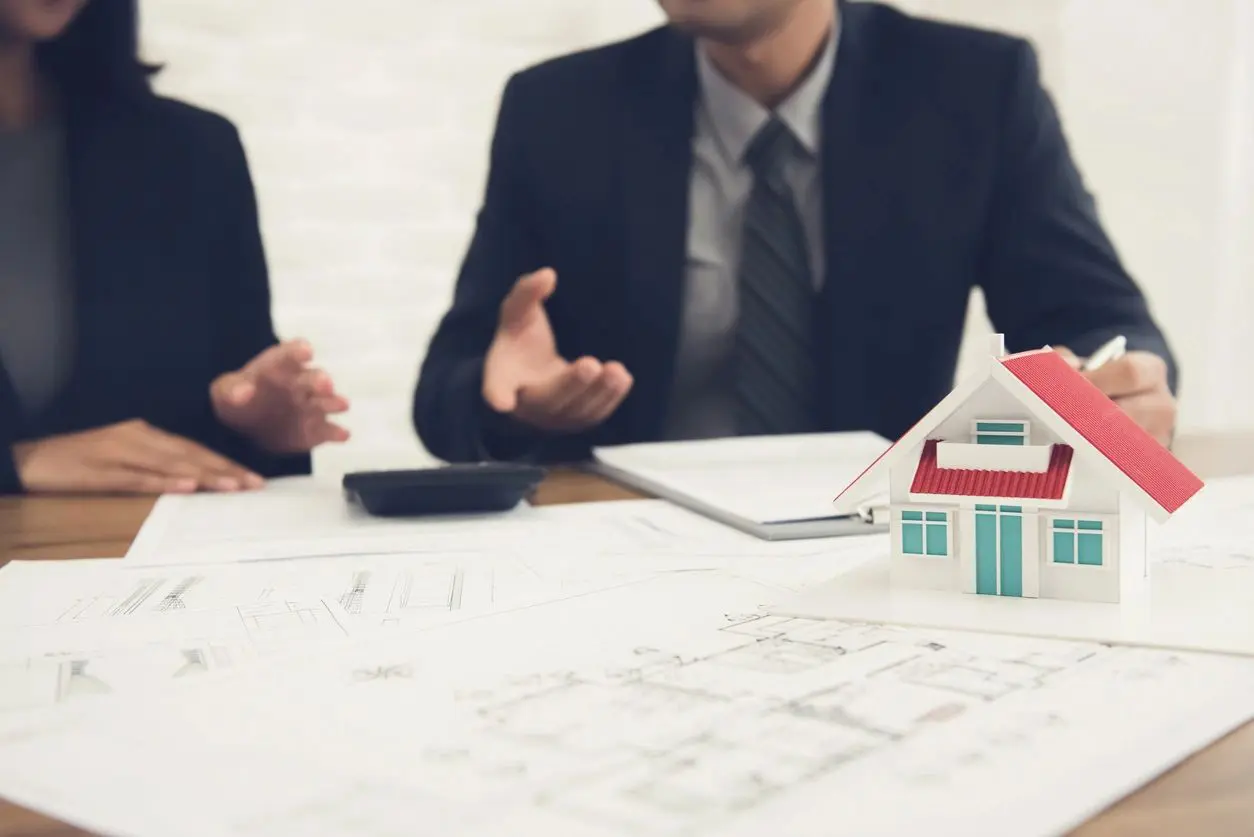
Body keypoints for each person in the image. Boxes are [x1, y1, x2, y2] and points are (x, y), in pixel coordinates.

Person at [413, 0, 1179, 464]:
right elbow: (448, 389)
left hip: (873, 543)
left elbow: (1092, 319)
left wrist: (1121, 383)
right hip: (619, 543)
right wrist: (511, 404)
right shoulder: (558, 110)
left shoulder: (975, 89)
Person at [0, 0, 349, 496]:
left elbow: (219, 442)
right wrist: (17, 464)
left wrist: (260, 426)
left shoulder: (192, 153)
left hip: (142, 565)